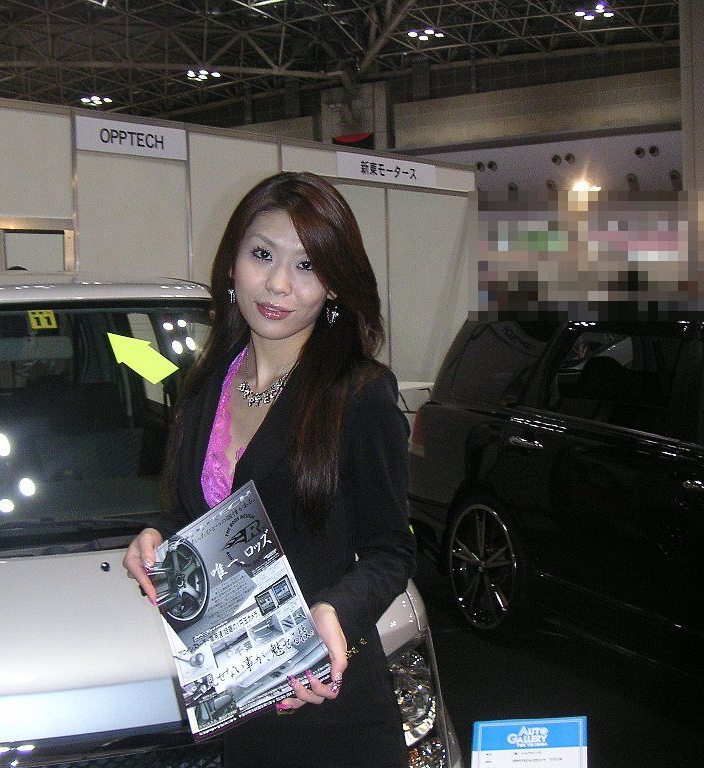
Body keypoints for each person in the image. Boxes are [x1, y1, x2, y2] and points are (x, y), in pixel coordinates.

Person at [123, 171, 416, 768]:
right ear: (232, 263)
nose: (279, 283)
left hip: (330, 704)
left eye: (307, 266)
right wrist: (157, 538)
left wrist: (335, 613)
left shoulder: (358, 393)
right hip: (238, 698)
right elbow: (194, 515)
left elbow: (391, 550)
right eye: (262, 255)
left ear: (335, 285)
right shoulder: (205, 385)